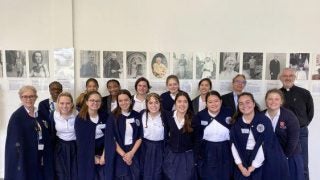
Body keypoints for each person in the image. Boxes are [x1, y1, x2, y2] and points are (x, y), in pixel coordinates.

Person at [230, 92, 289, 180]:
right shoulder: (236, 123)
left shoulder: (264, 121)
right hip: (242, 160)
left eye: (248, 102)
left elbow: (266, 146)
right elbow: (233, 145)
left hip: (262, 160)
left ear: (253, 104)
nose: (244, 105)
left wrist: (254, 166)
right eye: (241, 103)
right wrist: (240, 166)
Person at [5, 85, 54, 180]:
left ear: (36, 97)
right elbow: (13, 142)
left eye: (31, 96)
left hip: (41, 155)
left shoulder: (40, 113)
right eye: (25, 96)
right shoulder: (17, 117)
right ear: (21, 98)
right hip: (26, 156)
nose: (29, 99)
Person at [280, 68, 314, 180]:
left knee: (302, 163)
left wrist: (301, 125)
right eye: (285, 76)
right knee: (284, 162)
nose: (288, 78)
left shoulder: (304, 93)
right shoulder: (277, 94)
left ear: (294, 78)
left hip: (301, 132)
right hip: (282, 133)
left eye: (290, 75)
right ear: (281, 78)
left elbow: (310, 113)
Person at [264, 89, 304, 180]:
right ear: (266, 101)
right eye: (270, 99)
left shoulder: (290, 116)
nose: (273, 102)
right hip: (269, 157)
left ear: (281, 101)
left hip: (289, 156)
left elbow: (293, 140)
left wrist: (284, 157)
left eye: (276, 99)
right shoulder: (261, 116)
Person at [195, 90, 233, 180]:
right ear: (206, 104)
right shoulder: (200, 115)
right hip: (207, 151)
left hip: (226, 150)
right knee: (208, 175)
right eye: (210, 102)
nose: (213, 104)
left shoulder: (229, 112)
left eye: (216, 101)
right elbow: (197, 137)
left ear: (221, 101)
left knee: (225, 175)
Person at [106, 89, 142, 179]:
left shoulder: (137, 115)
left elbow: (140, 137)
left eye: (126, 100)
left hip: (134, 152)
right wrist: (124, 156)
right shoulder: (112, 117)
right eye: (120, 101)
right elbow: (111, 138)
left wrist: (131, 153)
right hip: (119, 153)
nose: (123, 103)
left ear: (130, 100)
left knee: (135, 176)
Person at [162, 91, 198, 179]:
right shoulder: (168, 116)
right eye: (179, 101)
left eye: (185, 101)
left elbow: (197, 141)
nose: (182, 104)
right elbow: (165, 135)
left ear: (188, 104)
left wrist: (194, 158)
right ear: (175, 103)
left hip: (187, 157)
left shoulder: (194, 118)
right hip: (171, 156)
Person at [75, 91, 110, 180]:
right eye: (92, 100)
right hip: (87, 155)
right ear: (86, 102)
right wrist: (92, 157)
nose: (95, 103)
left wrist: (104, 155)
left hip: (104, 153)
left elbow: (110, 138)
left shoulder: (105, 116)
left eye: (98, 101)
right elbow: (81, 143)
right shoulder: (80, 119)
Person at [49, 92, 78, 180]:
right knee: (60, 174)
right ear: (58, 104)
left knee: (75, 173)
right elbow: (51, 132)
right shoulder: (53, 115)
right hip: (59, 148)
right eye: (62, 103)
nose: (65, 106)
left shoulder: (78, 114)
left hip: (75, 147)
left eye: (68, 103)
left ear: (72, 104)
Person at [140, 93, 168, 180]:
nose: (154, 105)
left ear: (160, 103)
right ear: (146, 104)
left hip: (161, 148)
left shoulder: (166, 115)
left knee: (158, 172)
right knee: (145, 171)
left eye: (156, 102)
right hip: (144, 147)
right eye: (150, 103)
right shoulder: (142, 114)